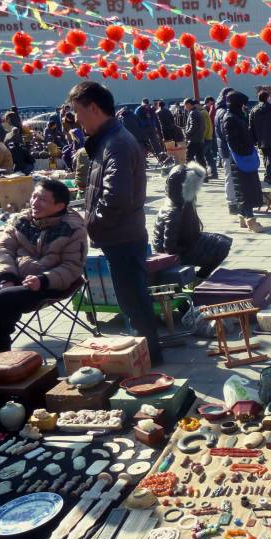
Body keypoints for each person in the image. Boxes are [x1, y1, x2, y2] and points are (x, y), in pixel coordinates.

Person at [69, 81, 162, 364]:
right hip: (119, 234)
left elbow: (116, 198)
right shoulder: (109, 140)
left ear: (93, 108)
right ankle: (147, 355)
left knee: (134, 303)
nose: (75, 120)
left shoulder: (117, 144)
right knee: (132, 301)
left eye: (77, 112)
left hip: (123, 235)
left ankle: (148, 359)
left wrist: (90, 223)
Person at [0, 180, 86, 353]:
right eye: (34, 196)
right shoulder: (21, 220)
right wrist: (7, 277)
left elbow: (72, 267)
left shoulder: (72, 228)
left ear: (59, 206)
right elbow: (2, 249)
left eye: (42, 199)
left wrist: (43, 280)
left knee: (4, 298)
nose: (34, 203)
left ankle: (2, 351)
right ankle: (2, 351)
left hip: (49, 283)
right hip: (15, 276)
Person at [153, 162, 232, 279]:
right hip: (177, 251)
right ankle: (199, 278)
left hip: (182, 242)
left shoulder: (180, 200)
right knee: (221, 246)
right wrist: (189, 248)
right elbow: (169, 247)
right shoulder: (174, 211)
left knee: (223, 241)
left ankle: (199, 277)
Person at [222, 91, 263, 232]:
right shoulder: (230, 118)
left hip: (244, 157)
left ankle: (242, 216)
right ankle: (251, 220)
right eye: (242, 104)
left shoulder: (236, 116)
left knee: (245, 188)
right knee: (245, 190)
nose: (244, 107)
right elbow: (233, 141)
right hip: (240, 159)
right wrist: (246, 151)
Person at [249, 91, 271, 185]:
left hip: (261, 138)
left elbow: (251, 126)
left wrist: (253, 138)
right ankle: (270, 176)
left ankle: (268, 175)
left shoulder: (254, 110)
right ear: (267, 98)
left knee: (265, 156)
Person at [183, 99, 207, 177]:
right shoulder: (197, 112)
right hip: (199, 139)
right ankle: (203, 175)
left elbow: (193, 126)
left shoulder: (193, 113)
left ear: (189, 104)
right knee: (200, 158)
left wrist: (187, 133)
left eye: (185, 105)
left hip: (193, 140)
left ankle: (192, 174)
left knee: (188, 157)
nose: (184, 107)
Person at [200, 103, 218, 180]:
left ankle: (204, 175)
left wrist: (202, 138)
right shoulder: (206, 113)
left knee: (201, 157)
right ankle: (214, 173)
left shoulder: (202, 113)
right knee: (209, 157)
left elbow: (204, 128)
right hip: (209, 138)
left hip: (205, 139)